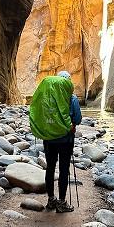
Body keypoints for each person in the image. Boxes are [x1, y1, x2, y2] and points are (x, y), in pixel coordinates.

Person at [29, 70, 82, 213]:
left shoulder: (47, 98)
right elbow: (77, 119)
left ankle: (51, 200)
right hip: (65, 140)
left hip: (49, 139)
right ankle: (62, 203)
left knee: (50, 168)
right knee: (64, 169)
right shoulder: (72, 99)